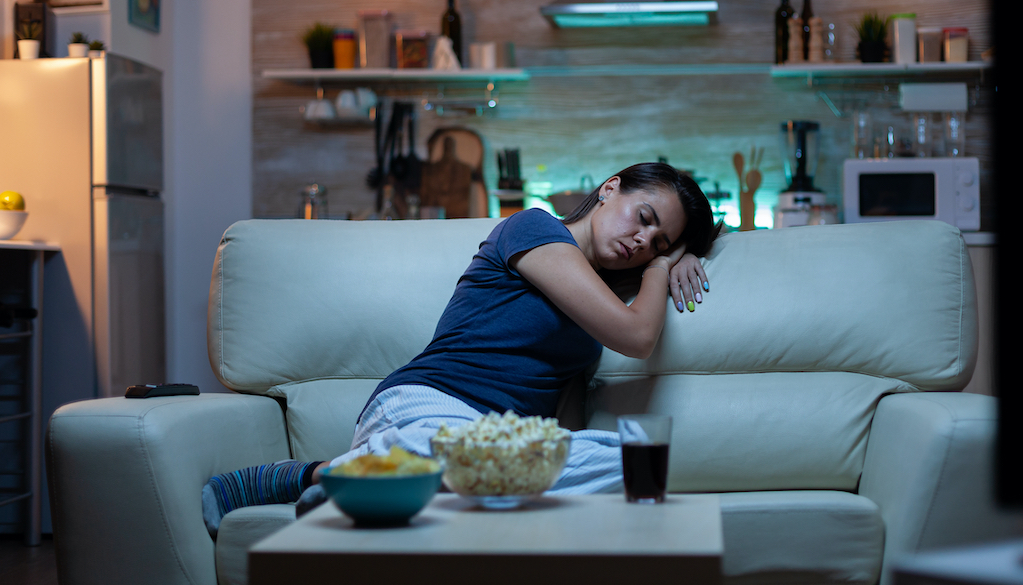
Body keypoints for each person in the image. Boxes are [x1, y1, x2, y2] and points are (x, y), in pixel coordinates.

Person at [202, 163, 717, 536]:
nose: (642, 241)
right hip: (430, 404)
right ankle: (316, 476)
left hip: (502, 443)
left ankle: (380, 484)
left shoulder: (606, 291)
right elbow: (636, 337)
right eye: (644, 217)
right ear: (610, 188)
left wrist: (688, 253)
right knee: (475, 460)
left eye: (658, 242)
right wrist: (661, 267)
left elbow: (721, 243)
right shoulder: (534, 228)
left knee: (628, 465)